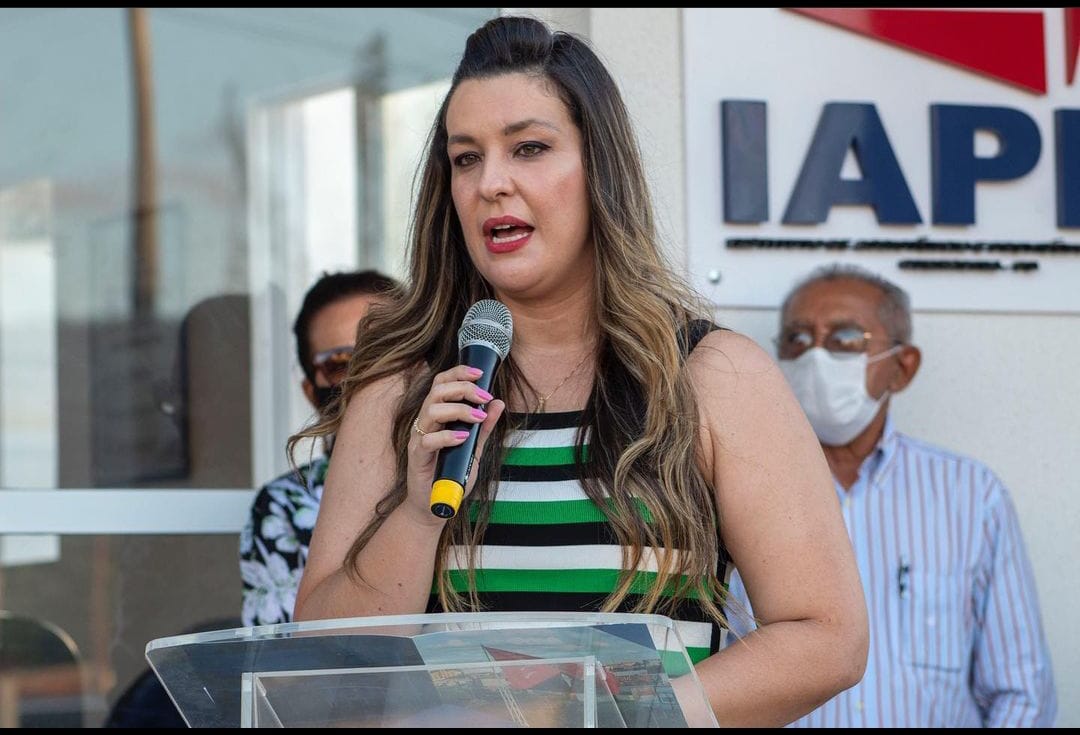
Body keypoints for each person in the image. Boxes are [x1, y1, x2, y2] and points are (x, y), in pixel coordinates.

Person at [291, 16, 869, 727]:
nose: (491, 183)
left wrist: (610, 720)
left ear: (600, 167)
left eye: (528, 148)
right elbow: (319, 666)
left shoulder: (712, 377)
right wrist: (416, 511)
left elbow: (827, 638)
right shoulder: (399, 389)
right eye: (466, 158)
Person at [724, 263, 1057, 727]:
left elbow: (1021, 692)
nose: (816, 357)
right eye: (798, 339)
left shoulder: (971, 496)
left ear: (901, 368)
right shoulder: (730, 491)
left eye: (844, 340)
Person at [240, 269, 398, 627]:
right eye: (340, 364)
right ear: (312, 392)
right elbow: (281, 666)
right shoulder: (283, 507)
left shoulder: (469, 468)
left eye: (386, 348)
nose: (368, 374)